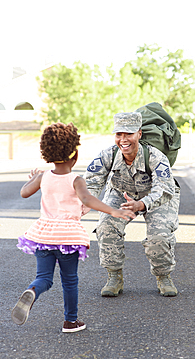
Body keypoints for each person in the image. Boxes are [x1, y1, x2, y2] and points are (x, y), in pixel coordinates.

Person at [11, 122, 135, 333]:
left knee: (44, 278)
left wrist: (34, 178)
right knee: (69, 281)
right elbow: (87, 199)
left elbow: (24, 193)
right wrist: (113, 211)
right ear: (75, 155)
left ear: (47, 154)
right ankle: (70, 321)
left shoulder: (43, 177)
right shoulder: (76, 180)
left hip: (44, 235)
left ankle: (32, 290)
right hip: (67, 236)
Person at [85, 111, 180, 297]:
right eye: (119, 134)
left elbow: (164, 189)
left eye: (128, 134)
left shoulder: (156, 157)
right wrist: (83, 204)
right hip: (122, 193)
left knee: (159, 236)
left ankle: (163, 277)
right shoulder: (108, 155)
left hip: (157, 196)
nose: (123, 139)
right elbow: (91, 183)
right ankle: (114, 277)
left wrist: (141, 204)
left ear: (139, 134)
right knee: (106, 226)